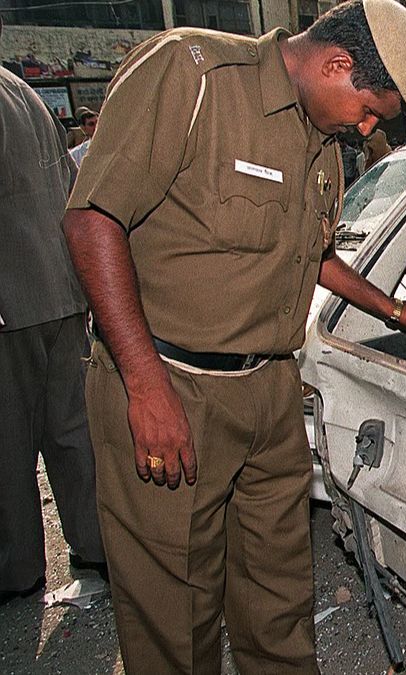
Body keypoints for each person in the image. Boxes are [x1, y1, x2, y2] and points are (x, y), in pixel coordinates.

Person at [60, 0, 406, 671]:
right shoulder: (195, 76)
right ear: (337, 64)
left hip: (268, 391)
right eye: (370, 112)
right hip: (172, 386)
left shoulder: (322, 142)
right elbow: (94, 219)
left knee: (280, 599)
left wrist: (394, 310)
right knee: (175, 615)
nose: (365, 128)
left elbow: (309, 252)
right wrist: (146, 386)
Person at [0, 19, 106, 607]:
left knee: (9, 443)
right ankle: (95, 549)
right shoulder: (22, 91)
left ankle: (17, 571)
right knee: (71, 434)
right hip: (60, 291)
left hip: (10, 302)